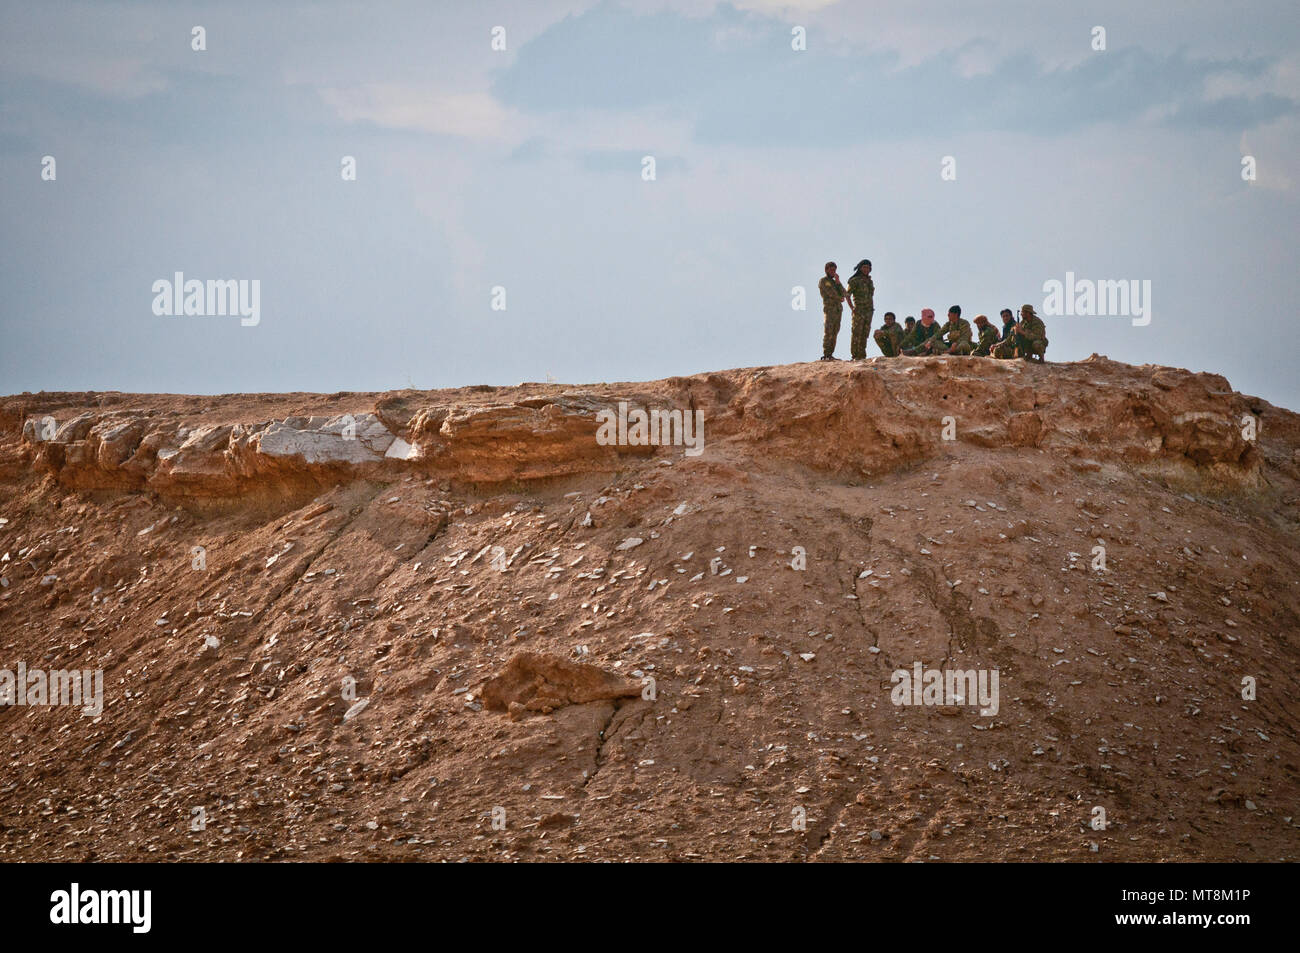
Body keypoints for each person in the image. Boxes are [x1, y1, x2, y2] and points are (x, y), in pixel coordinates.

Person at [818, 262, 847, 361]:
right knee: (829, 331)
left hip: (838, 310)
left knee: (835, 332)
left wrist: (838, 281)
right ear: (826, 270)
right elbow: (831, 293)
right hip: (830, 309)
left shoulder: (835, 282)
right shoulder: (823, 281)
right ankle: (826, 354)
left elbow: (845, 293)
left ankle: (830, 354)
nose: (833, 272)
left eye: (834, 270)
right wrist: (840, 298)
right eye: (831, 270)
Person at [846, 259, 874, 360]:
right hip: (859, 310)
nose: (866, 269)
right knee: (856, 333)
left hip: (869, 311)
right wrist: (852, 308)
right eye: (864, 267)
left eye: (868, 268)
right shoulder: (854, 281)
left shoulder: (869, 281)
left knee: (865, 334)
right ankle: (855, 356)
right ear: (860, 268)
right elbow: (847, 295)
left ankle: (862, 356)